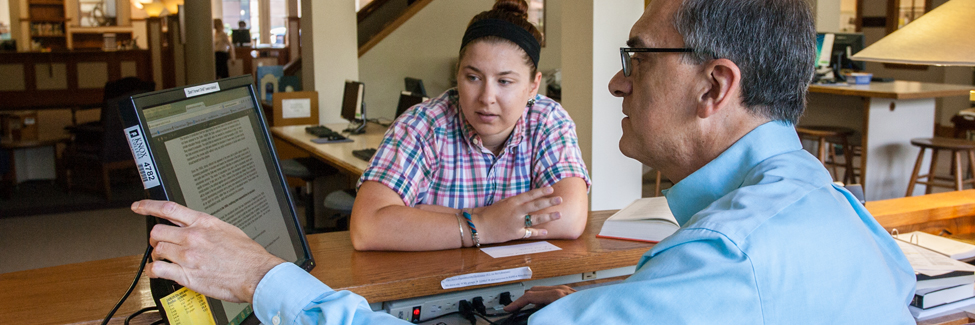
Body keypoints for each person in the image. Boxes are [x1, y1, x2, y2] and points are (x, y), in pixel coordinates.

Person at [131, 0, 916, 323]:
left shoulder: (722, 259)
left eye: (636, 57)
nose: (615, 78)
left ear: (714, 86)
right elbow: (372, 224)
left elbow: (573, 214)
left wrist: (257, 276)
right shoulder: (837, 206)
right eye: (472, 77)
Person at [350, 0, 590, 251]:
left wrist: (458, 217)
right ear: (458, 74)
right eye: (473, 77)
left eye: (505, 81)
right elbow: (367, 227)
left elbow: (570, 218)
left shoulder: (548, 120)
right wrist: (484, 225)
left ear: (533, 86)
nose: (487, 97)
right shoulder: (420, 126)